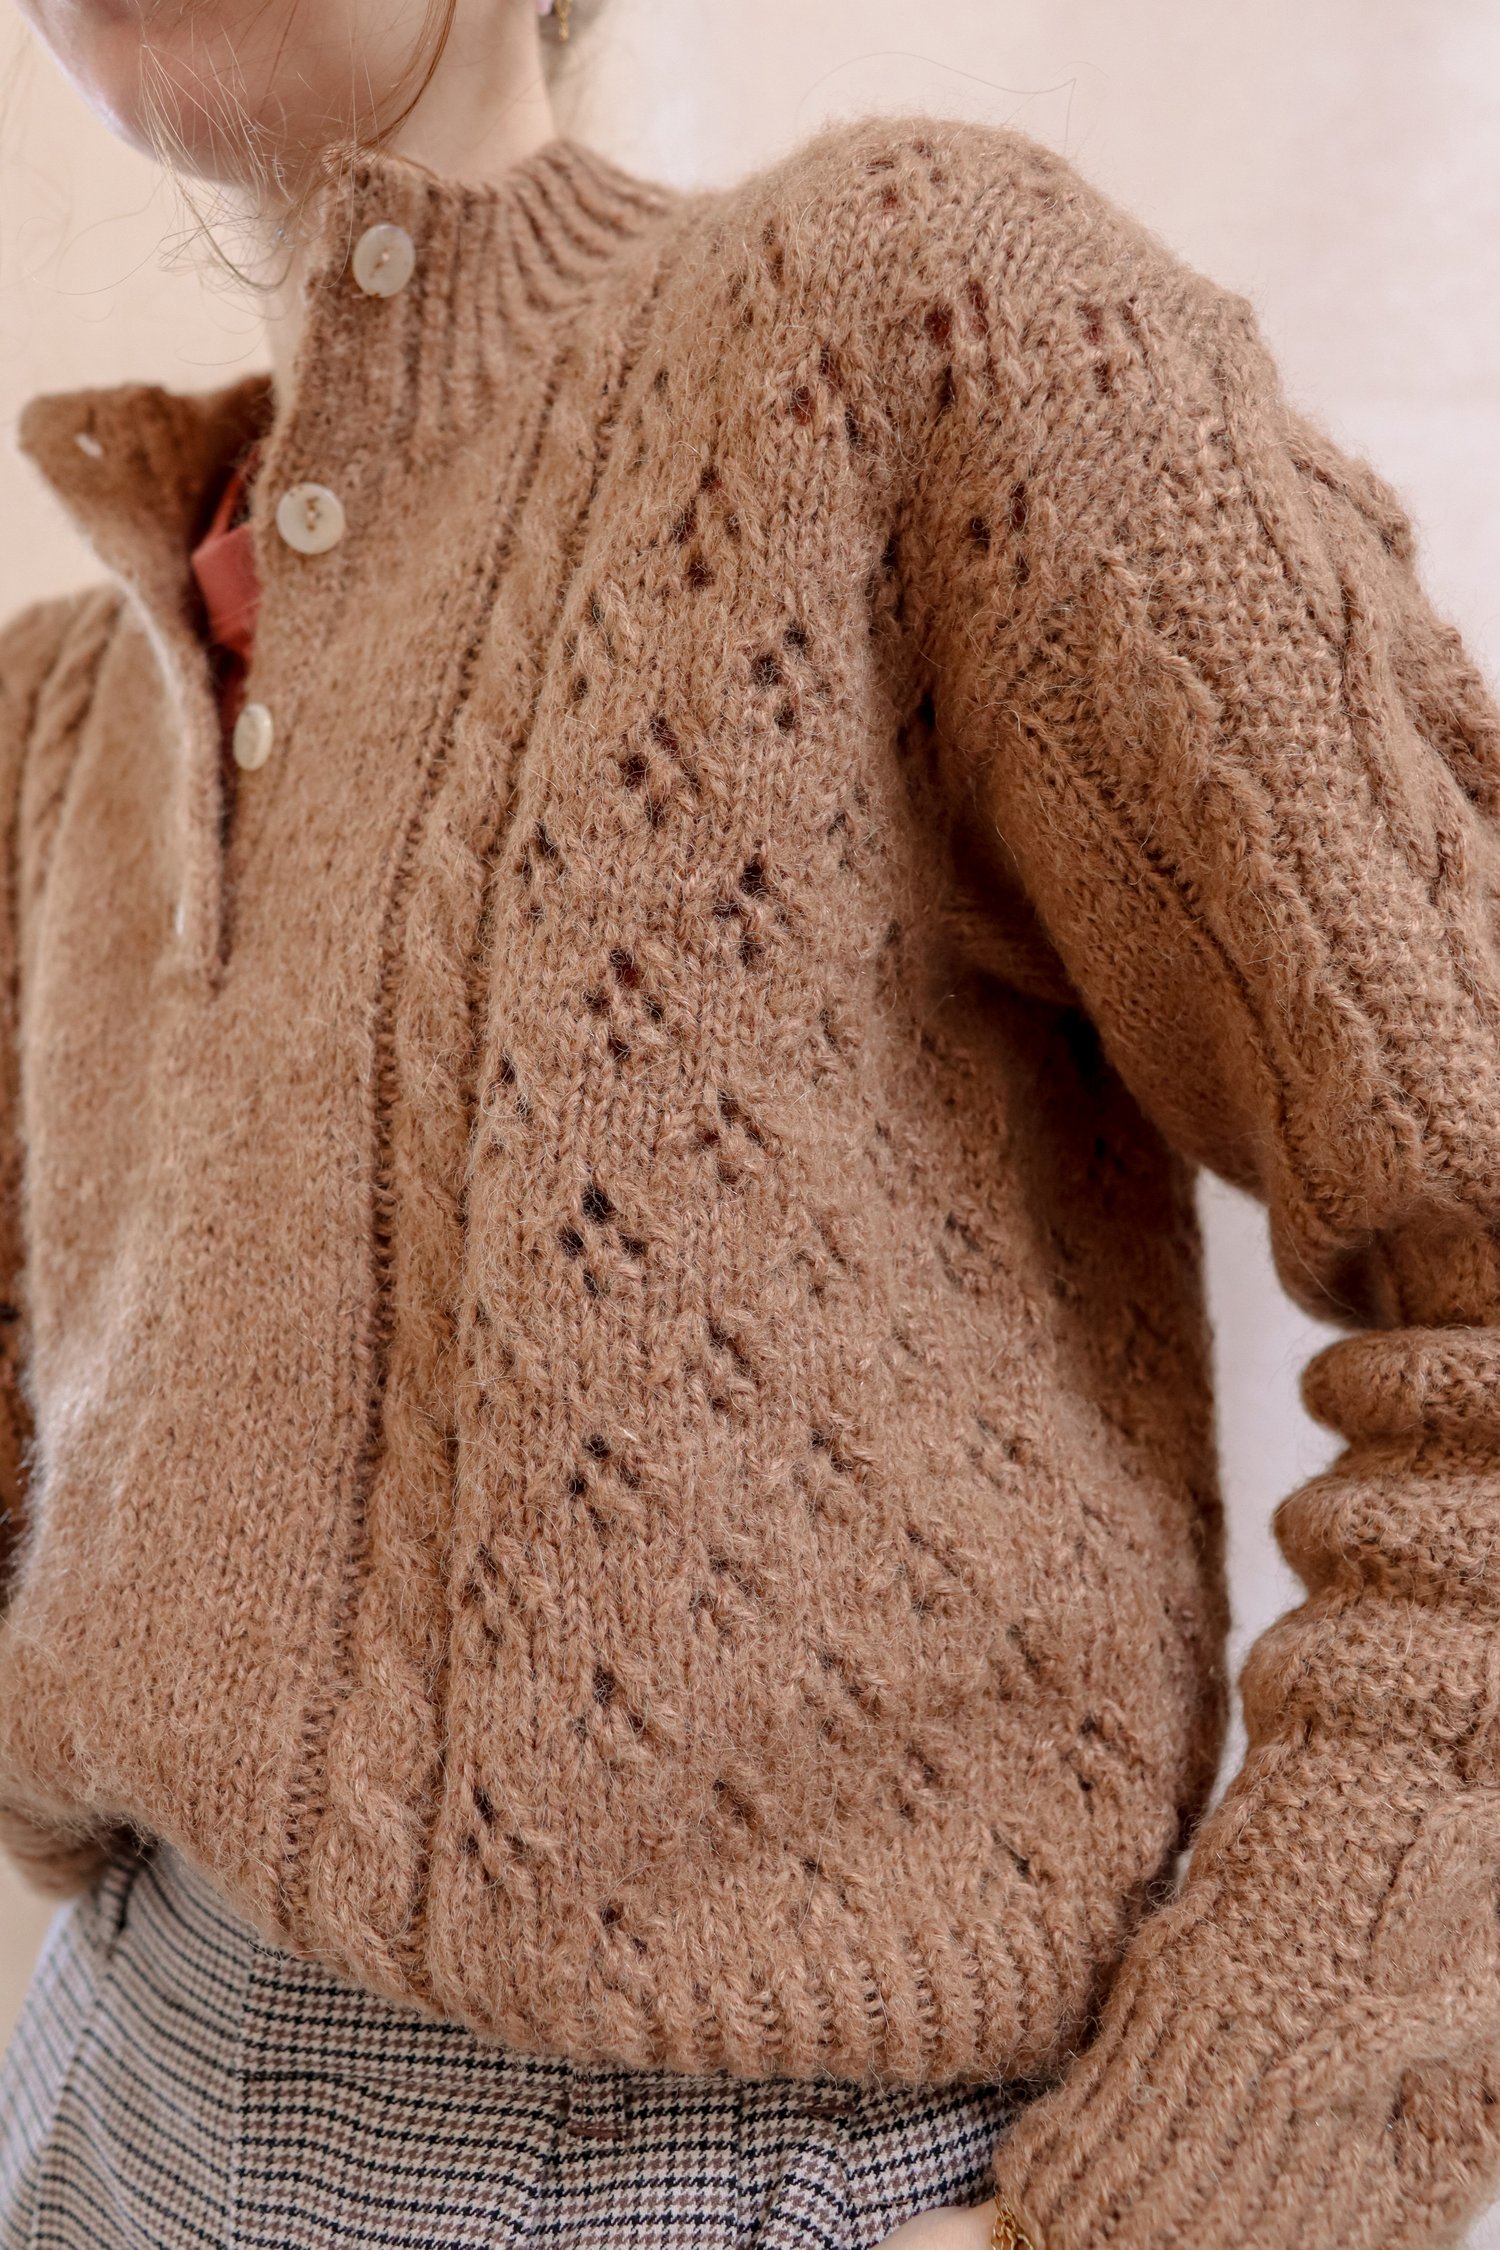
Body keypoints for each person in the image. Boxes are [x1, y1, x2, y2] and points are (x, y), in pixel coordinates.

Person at [0, 0, 1498, 2244]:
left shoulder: (907, 328)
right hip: (104, 2085)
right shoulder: (57, 714)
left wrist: (1204, 2185)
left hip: (734, 2166)